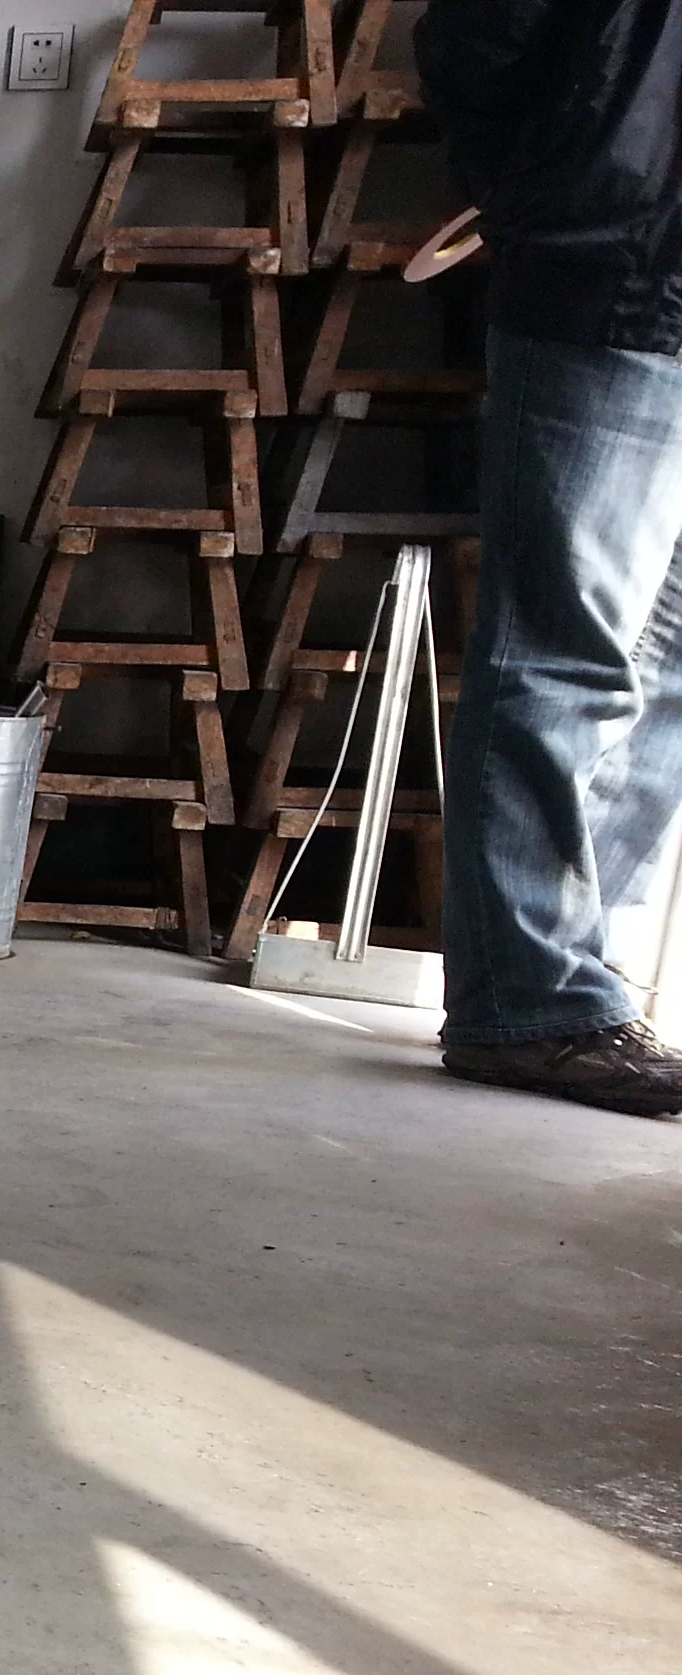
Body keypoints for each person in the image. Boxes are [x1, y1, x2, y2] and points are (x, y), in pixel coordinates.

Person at [416, 0, 682, 1117]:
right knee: (562, 652)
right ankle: (531, 1003)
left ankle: (578, 981)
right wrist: (546, 200)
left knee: (666, 666)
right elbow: (473, 38)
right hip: (612, 272)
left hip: (633, 267)